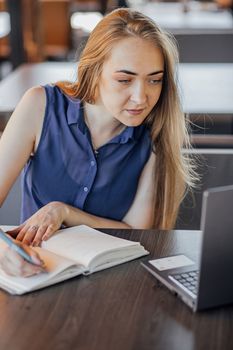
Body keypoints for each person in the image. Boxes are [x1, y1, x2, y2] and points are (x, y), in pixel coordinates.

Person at [0, 8, 197, 276]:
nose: (141, 97)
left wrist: (64, 212)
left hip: (110, 278)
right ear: (93, 71)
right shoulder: (40, 106)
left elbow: (138, 231)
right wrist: (4, 252)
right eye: (124, 80)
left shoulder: (155, 135)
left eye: (154, 80)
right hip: (35, 273)